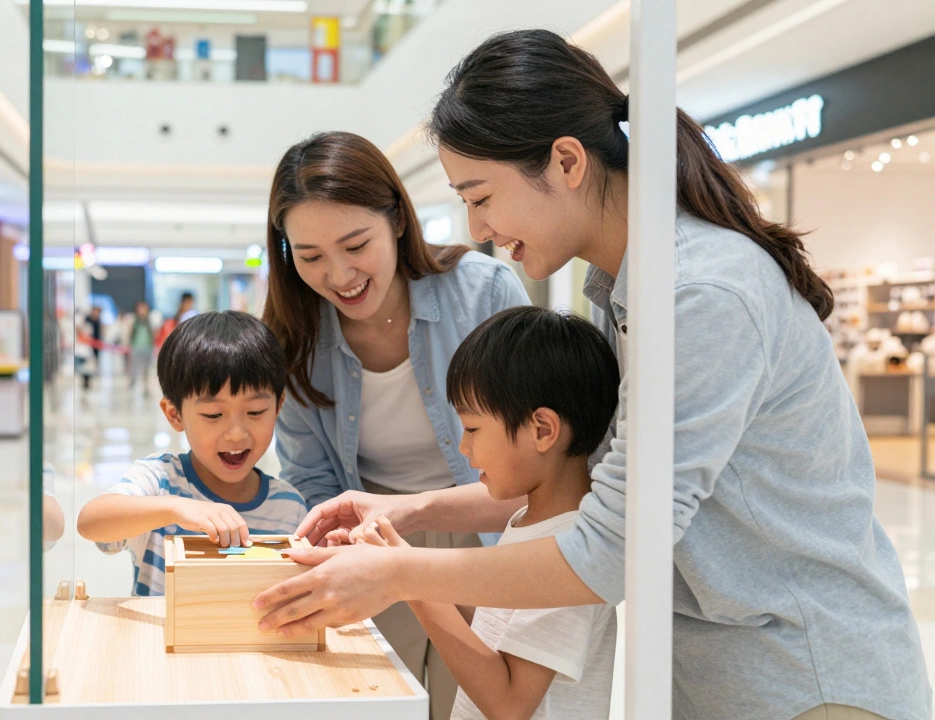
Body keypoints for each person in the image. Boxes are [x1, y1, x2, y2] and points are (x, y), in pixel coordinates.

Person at [254, 30, 931, 720]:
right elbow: (577, 484)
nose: (477, 226)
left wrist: (403, 572)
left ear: (567, 162)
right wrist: (409, 511)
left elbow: (610, 547)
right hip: (719, 676)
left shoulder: (698, 294)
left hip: (803, 679)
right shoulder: (625, 292)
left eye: (481, 196)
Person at [260, 130, 530, 720]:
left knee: (484, 703)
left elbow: (539, 459)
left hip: (488, 530)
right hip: (368, 545)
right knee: (384, 702)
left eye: (356, 244)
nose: (338, 275)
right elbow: (311, 476)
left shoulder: (482, 293)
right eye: (309, 257)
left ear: (398, 221)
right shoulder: (297, 341)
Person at [360, 306, 620, 720]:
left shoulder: (569, 549)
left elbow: (511, 704)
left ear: (542, 430)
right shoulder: (530, 520)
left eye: (473, 429)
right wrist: (403, 564)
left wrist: (407, 580)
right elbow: (496, 630)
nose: (465, 448)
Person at [75, 311, 308, 596]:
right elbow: (91, 522)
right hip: (158, 640)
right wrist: (176, 508)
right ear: (175, 415)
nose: (236, 433)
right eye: (213, 414)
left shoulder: (289, 507)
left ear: (278, 406)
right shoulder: (160, 481)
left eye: (255, 412)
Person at [124, 300, 155, 394]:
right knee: (134, 367)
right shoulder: (133, 320)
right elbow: (130, 333)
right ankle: (132, 383)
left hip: (147, 347)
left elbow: (153, 334)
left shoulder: (150, 321)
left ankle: (146, 386)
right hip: (136, 347)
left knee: (146, 368)